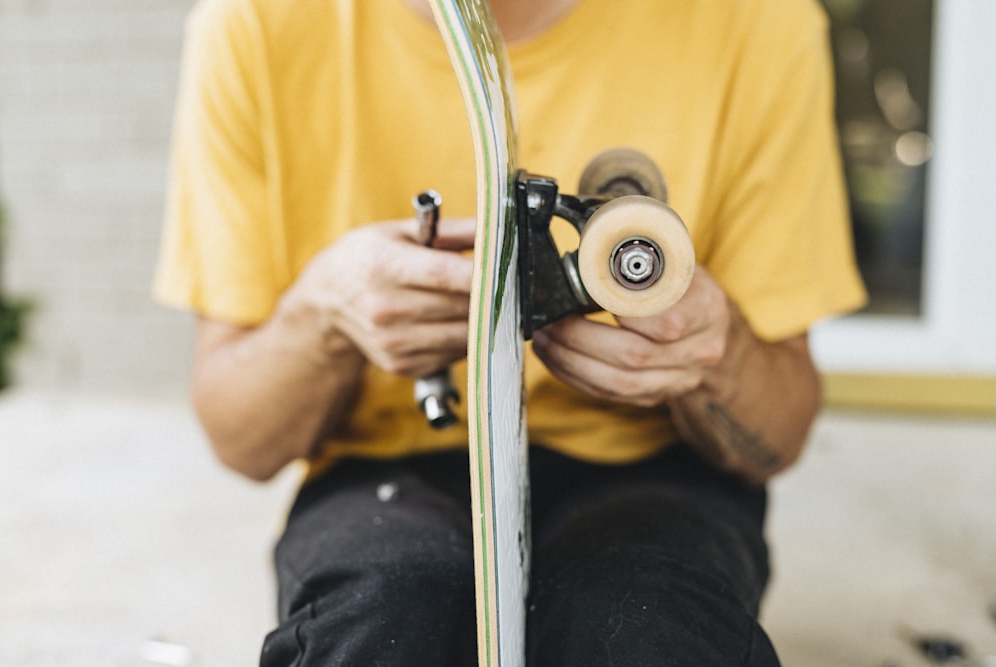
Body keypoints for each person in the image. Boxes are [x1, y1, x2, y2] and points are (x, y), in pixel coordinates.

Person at [155, 0, 867, 664]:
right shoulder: (255, 25)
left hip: (652, 462)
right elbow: (241, 438)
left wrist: (718, 355)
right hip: (389, 468)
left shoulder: (757, 23)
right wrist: (323, 318)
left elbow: (779, 432)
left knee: (645, 626)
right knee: (385, 617)